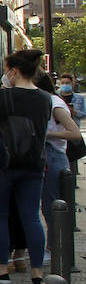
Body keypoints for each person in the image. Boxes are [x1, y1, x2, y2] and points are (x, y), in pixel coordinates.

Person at [0, 49, 53, 284]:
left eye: (6, 69)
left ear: (14, 70)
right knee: (32, 216)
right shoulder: (45, 98)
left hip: (4, 165)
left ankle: (2, 269)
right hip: (34, 165)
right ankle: (37, 273)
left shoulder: (2, 96)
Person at [39, 72, 83, 227]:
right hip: (47, 157)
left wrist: (47, 134)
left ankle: (55, 247)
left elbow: (74, 133)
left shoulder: (54, 103)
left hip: (54, 157)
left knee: (53, 205)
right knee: (48, 205)